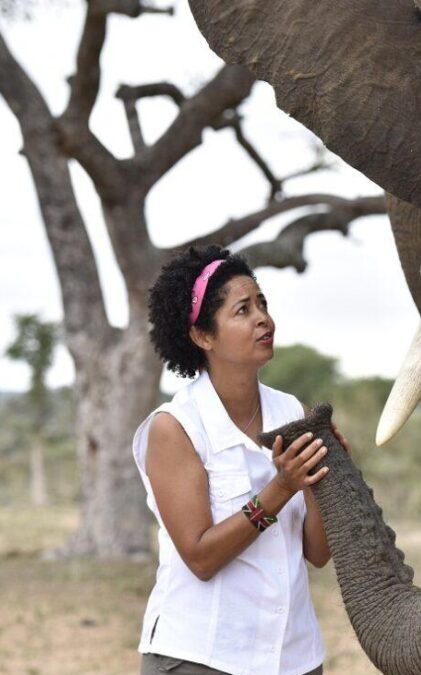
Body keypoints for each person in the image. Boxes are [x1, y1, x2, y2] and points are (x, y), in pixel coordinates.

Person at [132, 245, 349, 675]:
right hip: (202, 656)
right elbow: (200, 558)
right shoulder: (175, 427)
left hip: (294, 658)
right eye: (242, 310)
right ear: (202, 336)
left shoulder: (290, 411)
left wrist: (328, 471)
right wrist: (281, 488)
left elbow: (317, 553)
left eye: (263, 304)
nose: (263, 319)